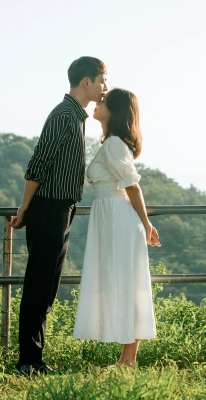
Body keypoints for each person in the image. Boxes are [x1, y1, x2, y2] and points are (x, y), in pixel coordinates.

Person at [10, 56, 107, 376]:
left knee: (48, 285)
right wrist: (25, 207)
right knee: (39, 284)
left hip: (61, 209)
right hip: (48, 207)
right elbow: (38, 164)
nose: (105, 86)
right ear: (86, 82)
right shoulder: (63, 115)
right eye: (102, 79)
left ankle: (35, 359)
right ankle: (28, 361)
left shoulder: (76, 116)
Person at [73, 88, 161, 368]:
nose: (97, 104)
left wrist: (146, 224)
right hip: (111, 217)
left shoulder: (113, 144)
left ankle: (129, 360)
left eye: (102, 102)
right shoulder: (111, 143)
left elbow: (132, 185)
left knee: (126, 285)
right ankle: (127, 359)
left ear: (114, 111)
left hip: (119, 219)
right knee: (124, 284)